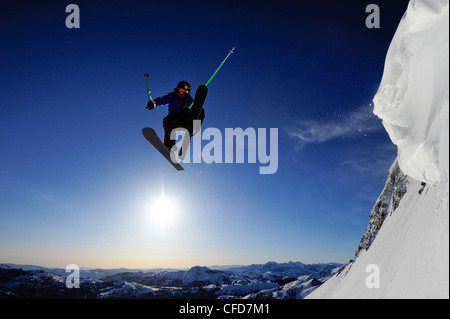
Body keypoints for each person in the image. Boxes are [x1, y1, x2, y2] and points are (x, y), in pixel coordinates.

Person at [146, 81, 205, 151]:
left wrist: (189, 111)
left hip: (185, 121)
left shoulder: (189, 100)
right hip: (174, 121)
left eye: (186, 92)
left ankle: (192, 130)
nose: (183, 94)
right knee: (167, 120)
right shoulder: (172, 96)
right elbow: (162, 100)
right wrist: (154, 103)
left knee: (201, 110)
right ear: (178, 89)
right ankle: (169, 147)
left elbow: (195, 110)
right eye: (182, 91)